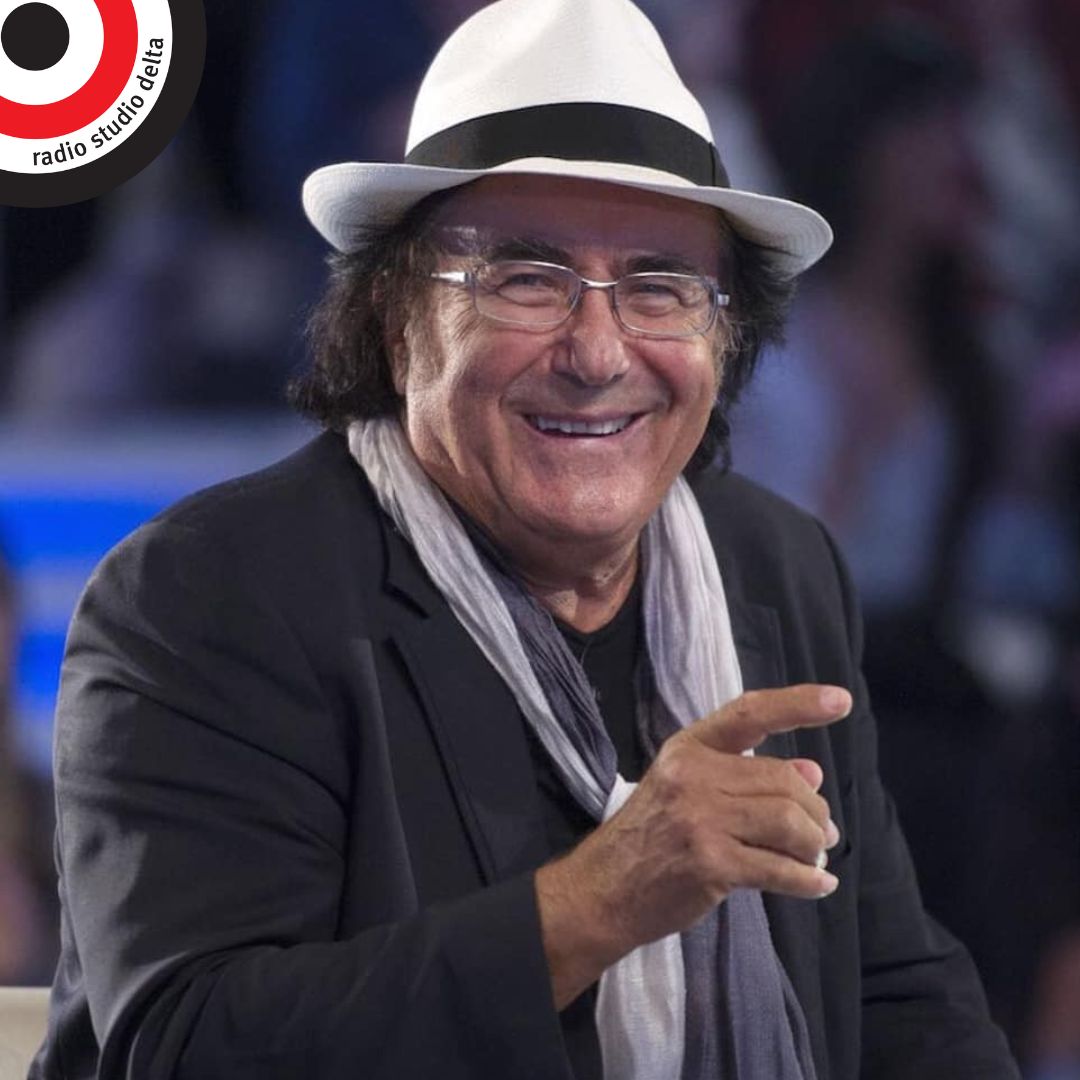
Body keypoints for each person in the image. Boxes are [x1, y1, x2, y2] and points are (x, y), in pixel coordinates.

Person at [31, 1, 1019, 1077]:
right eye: (526, 281)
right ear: (397, 319)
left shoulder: (776, 565)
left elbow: (890, 988)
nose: (598, 353)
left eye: (659, 288)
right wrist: (597, 901)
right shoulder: (206, 594)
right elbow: (184, 1046)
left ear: (725, 336)